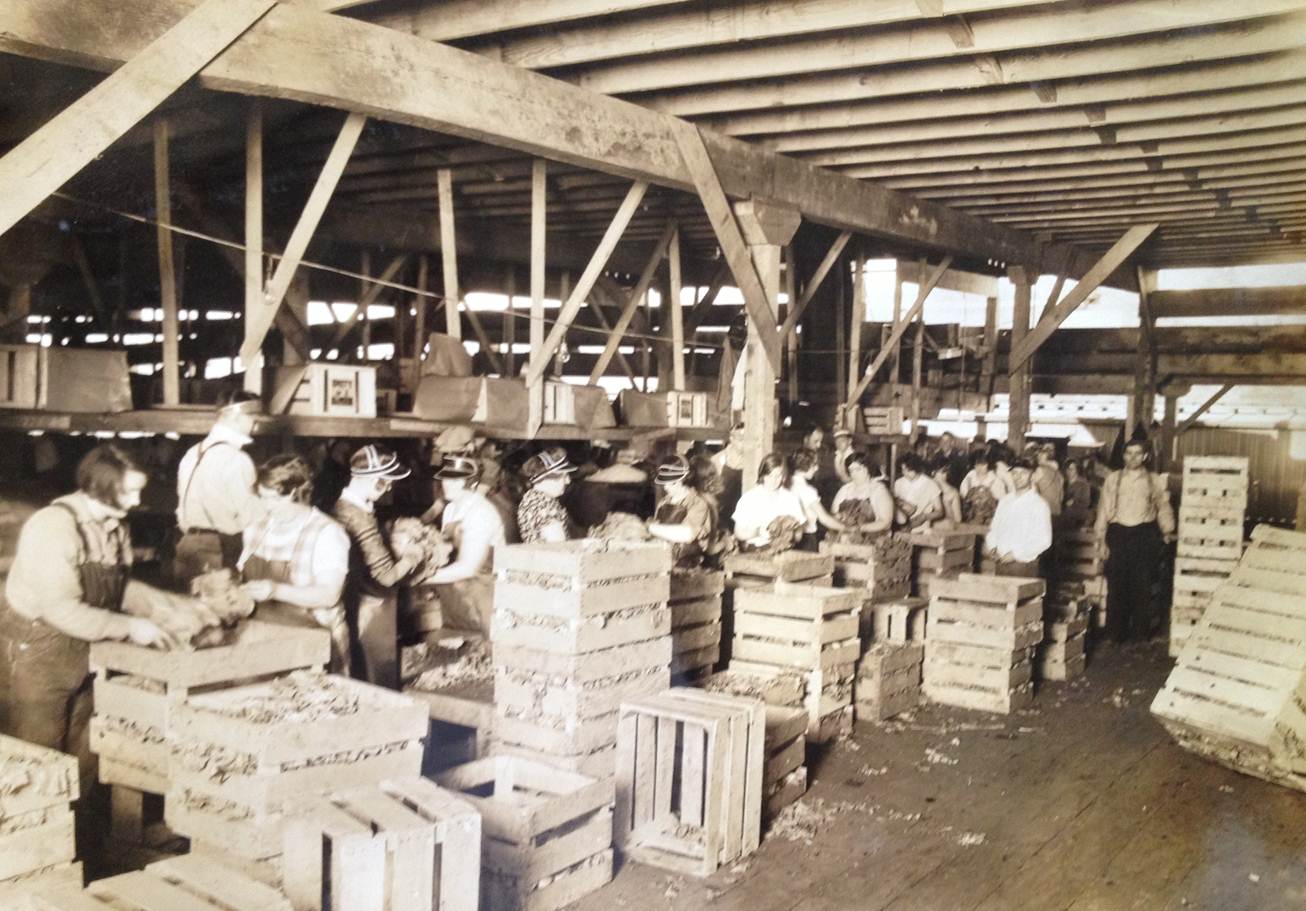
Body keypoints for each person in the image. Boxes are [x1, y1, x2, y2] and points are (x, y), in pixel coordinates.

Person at [0, 446, 187, 805]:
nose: (136, 500)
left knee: (85, 751)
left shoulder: (115, 527)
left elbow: (115, 586)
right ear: (99, 486)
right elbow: (61, 610)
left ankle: (82, 844)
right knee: (40, 756)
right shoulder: (55, 527)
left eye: (138, 490)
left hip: (88, 647)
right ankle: (40, 848)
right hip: (41, 649)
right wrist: (132, 628)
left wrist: (167, 608)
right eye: (128, 491)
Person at [240, 455, 351, 674]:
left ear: (295, 493)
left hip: (315, 645)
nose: (265, 506)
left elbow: (329, 595)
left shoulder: (327, 533)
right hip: (263, 641)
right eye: (261, 497)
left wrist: (274, 590)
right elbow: (243, 575)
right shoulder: (255, 527)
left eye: (271, 499)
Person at [332, 445, 419, 688]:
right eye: (384, 481)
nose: (389, 487)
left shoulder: (341, 505)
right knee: (375, 676)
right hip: (368, 607)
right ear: (368, 479)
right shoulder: (359, 517)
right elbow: (387, 576)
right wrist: (414, 556)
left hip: (352, 600)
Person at [172, 392, 265, 585]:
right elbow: (253, 516)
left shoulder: (192, 453)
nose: (257, 426)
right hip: (219, 548)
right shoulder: (236, 459)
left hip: (187, 545)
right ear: (235, 416)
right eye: (253, 419)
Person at [1095, 439, 1175, 644]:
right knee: (1116, 584)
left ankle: (1140, 634)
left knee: (1142, 584)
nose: (1132, 457)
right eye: (1128, 453)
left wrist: (1167, 530)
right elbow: (1103, 510)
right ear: (1123, 456)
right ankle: (1115, 633)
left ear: (1145, 456)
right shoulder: (1113, 479)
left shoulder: (1154, 480)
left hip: (1144, 535)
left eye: (1137, 453)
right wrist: (1101, 540)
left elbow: (1163, 507)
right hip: (1118, 533)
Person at [425, 454, 506, 635]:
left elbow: (468, 568)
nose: (447, 484)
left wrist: (421, 578)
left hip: (482, 597)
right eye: (446, 478)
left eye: (455, 481)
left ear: (472, 482)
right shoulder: (451, 509)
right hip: (455, 597)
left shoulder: (480, 511)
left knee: (482, 651)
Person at [984, 457, 1053, 577]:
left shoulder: (1039, 504)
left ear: (1032, 476)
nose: (1018, 477)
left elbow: (1044, 540)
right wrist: (992, 547)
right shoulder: (1005, 501)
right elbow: (994, 529)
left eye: (1023, 473)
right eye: (1014, 473)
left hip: (1023, 566)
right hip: (1000, 562)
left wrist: (1015, 554)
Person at [647, 456, 716, 567]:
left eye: (672, 483)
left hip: (686, 564)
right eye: (664, 483)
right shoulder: (664, 502)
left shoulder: (698, 503)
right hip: (661, 559)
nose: (666, 487)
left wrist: (651, 528)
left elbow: (687, 534)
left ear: (684, 480)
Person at [731, 452, 807, 550]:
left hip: (785, 549)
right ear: (762, 475)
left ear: (783, 476)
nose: (774, 480)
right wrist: (758, 532)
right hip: (756, 550)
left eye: (778, 476)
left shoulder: (791, 499)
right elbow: (738, 533)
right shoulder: (749, 498)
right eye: (770, 476)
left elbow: (799, 534)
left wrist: (792, 535)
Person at [517, 447, 577, 544]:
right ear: (548, 478)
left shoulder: (534, 498)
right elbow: (560, 548)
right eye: (564, 476)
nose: (568, 481)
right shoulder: (543, 505)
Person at [789, 450, 848, 549]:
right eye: (814, 465)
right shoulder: (807, 490)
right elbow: (824, 518)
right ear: (805, 466)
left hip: (790, 539)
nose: (816, 468)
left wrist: (833, 516)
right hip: (806, 540)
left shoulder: (786, 484)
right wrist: (847, 529)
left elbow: (810, 511)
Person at [831, 452, 896, 535]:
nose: (854, 474)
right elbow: (833, 514)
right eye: (851, 470)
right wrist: (839, 518)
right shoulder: (844, 490)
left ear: (868, 468)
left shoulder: (879, 490)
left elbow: (885, 522)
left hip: (873, 537)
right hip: (846, 535)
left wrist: (859, 528)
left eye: (858, 469)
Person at [893, 453, 943, 529]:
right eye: (903, 470)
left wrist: (924, 517)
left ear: (917, 468)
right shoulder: (898, 483)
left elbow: (940, 511)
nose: (905, 473)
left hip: (921, 529)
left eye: (909, 471)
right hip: (900, 527)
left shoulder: (931, 484)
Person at [959, 451, 1010, 525]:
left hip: (990, 517)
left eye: (983, 464)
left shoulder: (996, 480)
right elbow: (963, 494)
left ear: (989, 465)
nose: (979, 468)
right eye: (977, 464)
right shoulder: (970, 477)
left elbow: (1002, 501)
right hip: (971, 516)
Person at [1033, 443, 1065, 518]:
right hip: (1057, 511)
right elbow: (1061, 496)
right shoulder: (1059, 474)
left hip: (1043, 511)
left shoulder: (1039, 470)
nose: (1038, 456)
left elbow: (1032, 491)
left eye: (1039, 455)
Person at [931, 457, 964, 526]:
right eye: (942, 472)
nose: (945, 474)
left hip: (946, 527)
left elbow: (958, 519)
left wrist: (947, 505)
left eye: (946, 471)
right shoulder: (927, 486)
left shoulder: (952, 491)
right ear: (933, 473)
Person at [1062, 459, 1093, 525]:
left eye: (1072, 469)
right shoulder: (1064, 483)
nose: (1069, 471)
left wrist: (1074, 502)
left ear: (1077, 470)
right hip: (1065, 514)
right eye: (1067, 469)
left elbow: (1086, 503)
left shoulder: (1083, 484)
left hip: (1079, 516)